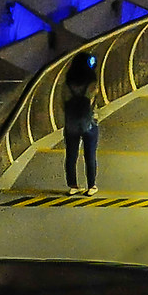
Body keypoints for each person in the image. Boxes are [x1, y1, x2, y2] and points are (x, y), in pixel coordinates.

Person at [61, 53, 100, 194]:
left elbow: (62, 104)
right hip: (89, 123)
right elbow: (93, 101)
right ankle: (91, 186)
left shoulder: (67, 83)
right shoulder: (92, 82)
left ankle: (73, 186)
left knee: (71, 155)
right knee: (90, 154)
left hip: (71, 123)